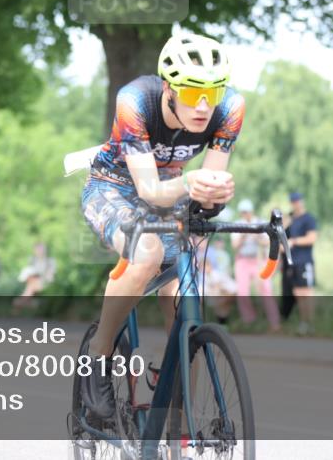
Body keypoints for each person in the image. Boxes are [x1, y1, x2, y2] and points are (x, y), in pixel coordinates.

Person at [80, 33, 243, 421]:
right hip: (114, 189)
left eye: (213, 93)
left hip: (171, 192)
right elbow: (150, 191)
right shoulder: (134, 101)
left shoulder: (231, 107)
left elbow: (206, 194)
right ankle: (98, 358)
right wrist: (191, 185)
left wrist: (216, 194)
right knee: (147, 251)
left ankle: (172, 424)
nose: (203, 106)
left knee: (184, 298)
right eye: (191, 94)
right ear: (169, 88)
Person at [231, 199, 281, 331]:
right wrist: (245, 233)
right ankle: (249, 320)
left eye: (247, 212)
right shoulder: (237, 224)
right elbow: (235, 246)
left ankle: (274, 322)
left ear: (251, 211)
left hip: (258, 260)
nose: (245, 214)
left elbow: (266, 242)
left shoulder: (261, 223)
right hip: (242, 260)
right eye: (243, 212)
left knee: (266, 290)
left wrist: (256, 234)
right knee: (242, 292)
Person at [282, 191, 318, 335]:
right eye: (294, 201)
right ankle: (304, 322)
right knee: (297, 292)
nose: (296, 204)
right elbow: (281, 233)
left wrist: (294, 241)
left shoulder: (308, 219)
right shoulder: (290, 218)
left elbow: (312, 238)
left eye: (298, 201)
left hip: (304, 260)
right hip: (293, 262)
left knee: (307, 292)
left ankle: (311, 323)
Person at [196, 238, 237, 324]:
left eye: (206, 266)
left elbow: (232, 287)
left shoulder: (217, 274)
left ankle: (222, 323)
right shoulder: (202, 279)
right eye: (202, 267)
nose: (205, 269)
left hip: (221, 295)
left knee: (223, 303)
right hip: (211, 296)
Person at [13, 242, 57, 309]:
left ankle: (22, 301)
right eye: (37, 250)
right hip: (33, 282)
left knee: (31, 285)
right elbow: (30, 271)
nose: (39, 251)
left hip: (44, 282)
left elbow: (50, 275)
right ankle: (26, 301)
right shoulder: (33, 260)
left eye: (40, 249)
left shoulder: (50, 261)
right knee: (31, 281)